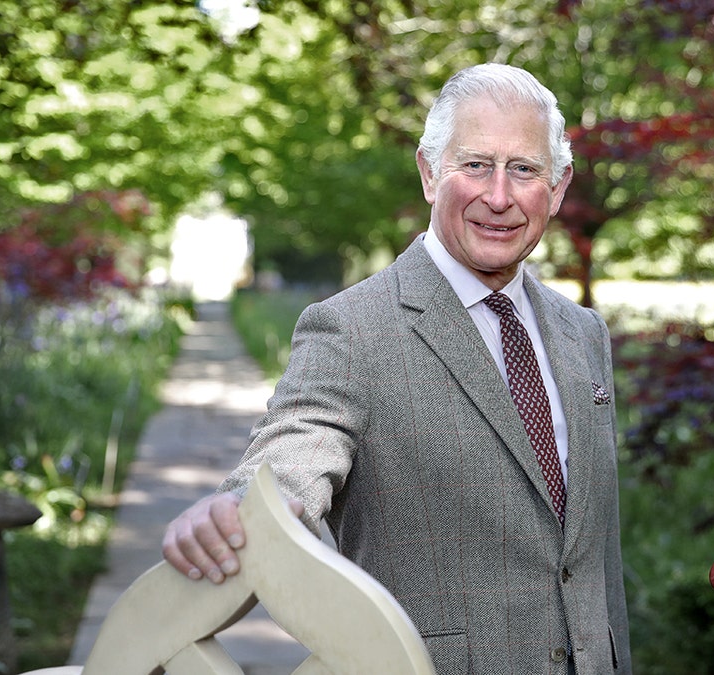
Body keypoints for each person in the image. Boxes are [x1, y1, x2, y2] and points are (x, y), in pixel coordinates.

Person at [162, 62, 632, 675]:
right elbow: (293, 456)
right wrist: (241, 507)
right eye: (475, 165)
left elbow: (591, 561)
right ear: (429, 173)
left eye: (523, 169)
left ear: (559, 186)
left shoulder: (583, 333)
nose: (498, 196)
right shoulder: (351, 329)